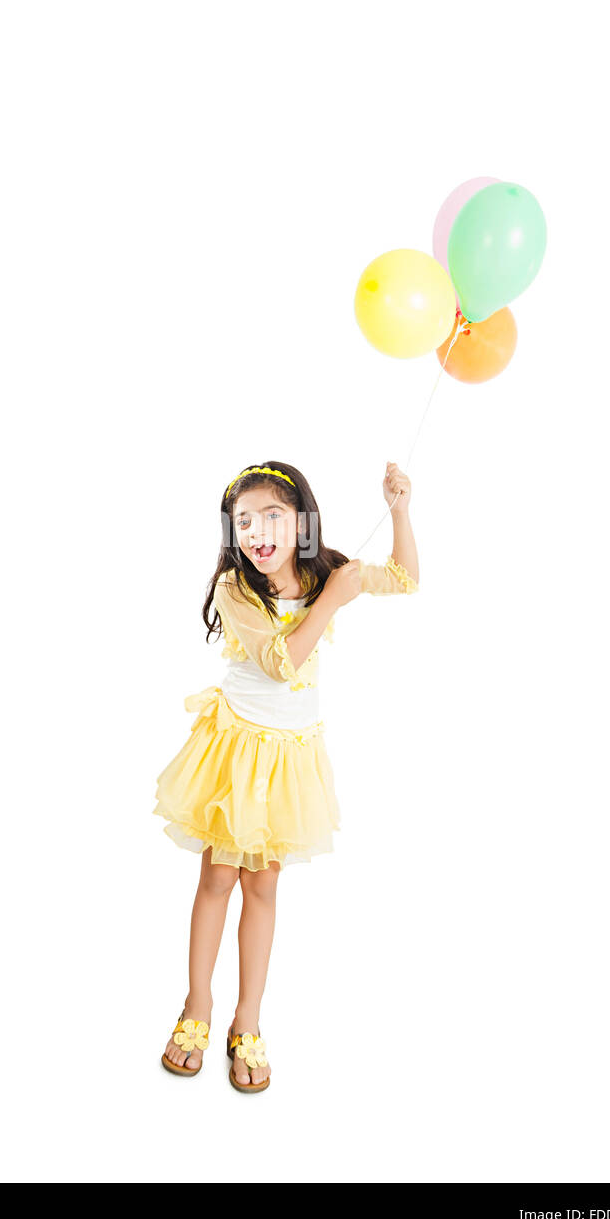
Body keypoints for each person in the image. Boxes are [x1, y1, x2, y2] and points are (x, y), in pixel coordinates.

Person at [153, 459, 419, 1092]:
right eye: (244, 521)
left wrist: (401, 509)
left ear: (301, 521)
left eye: (273, 515)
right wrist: (331, 600)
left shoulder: (322, 568)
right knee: (218, 875)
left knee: (263, 887)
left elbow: (405, 578)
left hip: (288, 757)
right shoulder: (237, 589)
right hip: (236, 750)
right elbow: (280, 665)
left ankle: (248, 1019)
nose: (257, 531)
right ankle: (198, 1005)